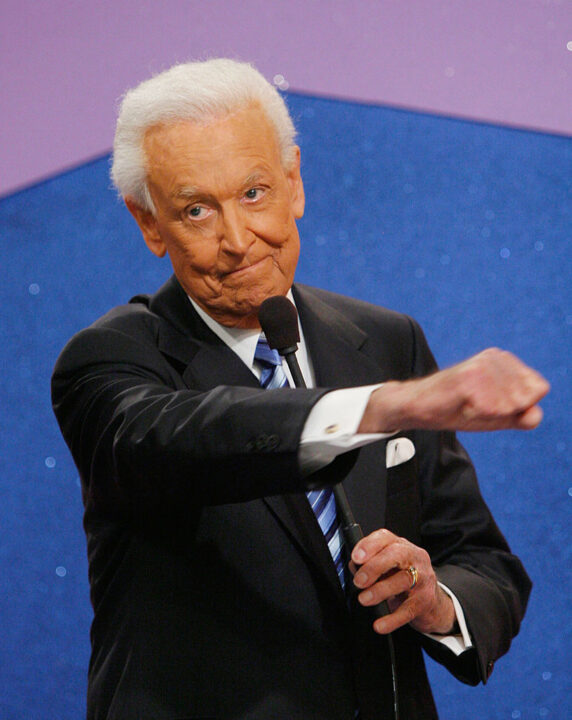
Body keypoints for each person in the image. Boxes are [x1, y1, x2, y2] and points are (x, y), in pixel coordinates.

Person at [51, 59, 549, 720]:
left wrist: (433, 601)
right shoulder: (110, 360)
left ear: (294, 185)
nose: (236, 239)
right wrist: (387, 405)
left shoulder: (384, 340)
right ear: (149, 224)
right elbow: (187, 437)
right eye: (197, 210)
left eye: (255, 193)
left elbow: (483, 563)